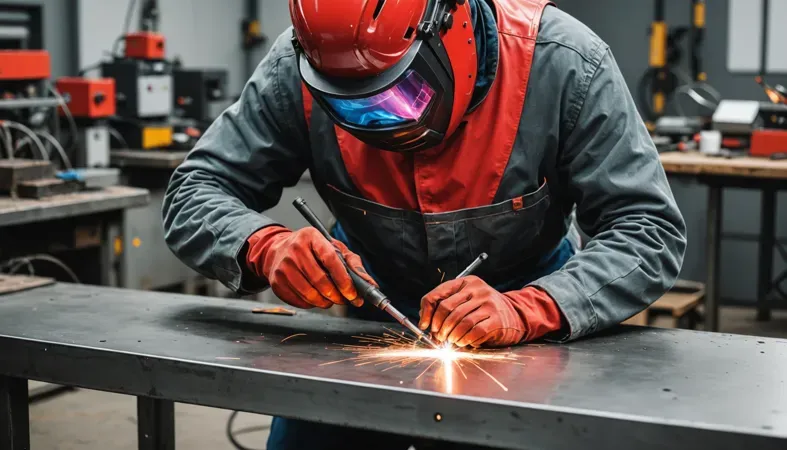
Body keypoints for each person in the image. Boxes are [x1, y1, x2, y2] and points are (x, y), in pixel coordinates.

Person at [163, 0, 686, 448]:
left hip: (531, 322)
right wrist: (263, 247)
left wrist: (532, 308)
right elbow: (195, 190)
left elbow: (647, 228)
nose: (378, 122)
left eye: (397, 95)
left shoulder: (566, 63)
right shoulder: (295, 67)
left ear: (451, 29)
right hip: (369, 319)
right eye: (349, 104)